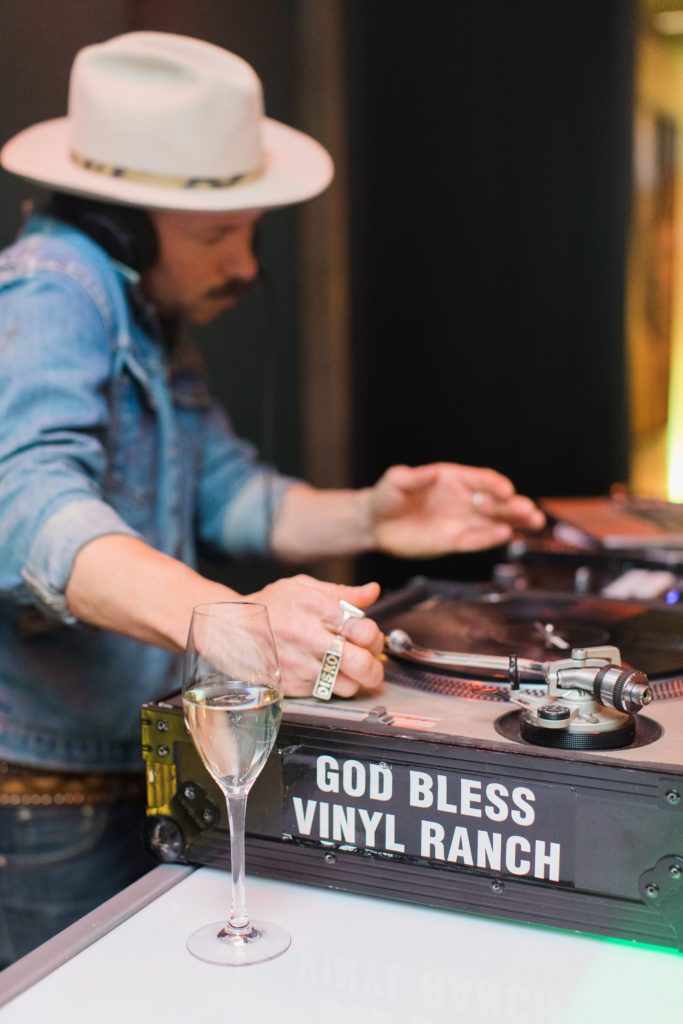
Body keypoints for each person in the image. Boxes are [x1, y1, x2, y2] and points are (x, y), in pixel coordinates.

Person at [0, 31, 544, 965]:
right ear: (124, 221)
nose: (247, 265)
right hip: (44, 799)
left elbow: (231, 495)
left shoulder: (142, 311)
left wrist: (373, 517)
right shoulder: (52, 292)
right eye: (218, 234)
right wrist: (224, 621)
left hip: (110, 771)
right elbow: (24, 507)